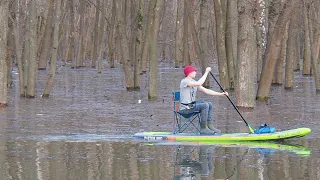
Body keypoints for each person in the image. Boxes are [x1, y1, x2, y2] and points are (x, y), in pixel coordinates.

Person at [179, 65, 228, 135]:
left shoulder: (193, 82)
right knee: (204, 105)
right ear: (189, 73)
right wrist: (206, 72)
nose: (195, 73)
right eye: (194, 71)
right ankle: (203, 128)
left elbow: (206, 91)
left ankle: (209, 126)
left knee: (209, 104)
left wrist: (221, 94)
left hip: (191, 107)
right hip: (185, 110)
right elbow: (199, 83)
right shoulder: (184, 81)